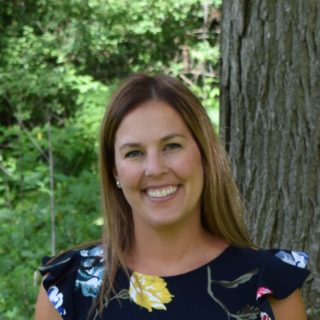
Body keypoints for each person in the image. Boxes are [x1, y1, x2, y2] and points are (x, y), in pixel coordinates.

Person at [35, 74, 310, 320]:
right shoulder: (70, 289)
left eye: (172, 146)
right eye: (134, 152)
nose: (154, 169)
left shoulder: (270, 288)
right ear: (114, 171)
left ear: (204, 155)